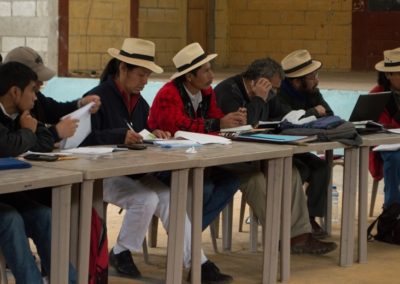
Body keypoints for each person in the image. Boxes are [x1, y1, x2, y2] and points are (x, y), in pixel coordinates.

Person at [81, 38, 233, 283]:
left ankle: (197, 262)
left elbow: (145, 131)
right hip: (101, 175)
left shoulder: (139, 104)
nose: (145, 81)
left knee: (170, 197)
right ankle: (121, 251)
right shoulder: (96, 98)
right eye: (141, 75)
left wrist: (154, 135)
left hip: (133, 171)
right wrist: (119, 136)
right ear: (122, 69)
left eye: (147, 76)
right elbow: (83, 141)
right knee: (147, 198)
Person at [214, 57, 337, 253]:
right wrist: (258, 99)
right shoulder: (229, 92)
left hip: (258, 154)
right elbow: (245, 128)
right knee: (257, 180)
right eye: (273, 89)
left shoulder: (269, 93)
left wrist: (292, 115)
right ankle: (279, 235)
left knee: (291, 171)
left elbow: (288, 115)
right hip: (231, 158)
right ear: (258, 82)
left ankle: (299, 237)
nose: (275, 94)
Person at [0, 61, 76, 283]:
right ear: (15, 92)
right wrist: (27, 133)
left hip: (9, 192)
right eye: (33, 90)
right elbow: (6, 146)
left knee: (44, 215)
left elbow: (44, 139)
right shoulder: (22, 122)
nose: (35, 97)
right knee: (11, 219)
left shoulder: (23, 115)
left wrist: (28, 134)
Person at [278, 50, 332, 236]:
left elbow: (330, 115)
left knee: (322, 168)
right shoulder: (279, 95)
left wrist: (312, 113)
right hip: (281, 150)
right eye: (312, 76)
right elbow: (286, 121)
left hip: (302, 149)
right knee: (301, 171)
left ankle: (309, 218)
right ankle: (285, 220)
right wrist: (314, 113)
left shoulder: (312, 92)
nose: (317, 80)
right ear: (296, 81)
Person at [4, 46, 101, 143]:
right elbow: (12, 144)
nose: (41, 83)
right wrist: (56, 132)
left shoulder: (34, 99)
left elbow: (55, 110)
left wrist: (81, 104)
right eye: (35, 81)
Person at [369, 47, 400, 208]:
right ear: (388, 75)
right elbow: (380, 127)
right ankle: (392, 209)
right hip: (385, 145)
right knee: (394, 159)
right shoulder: (377, 94)